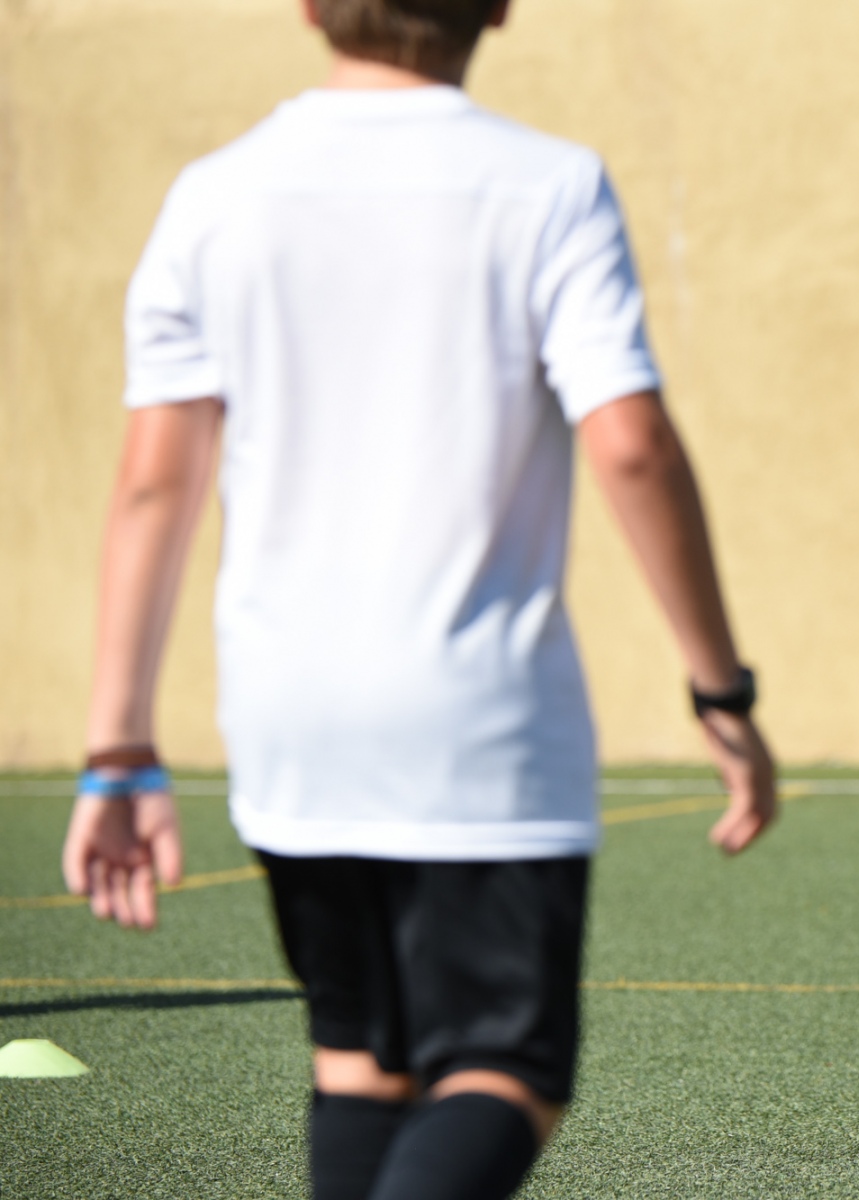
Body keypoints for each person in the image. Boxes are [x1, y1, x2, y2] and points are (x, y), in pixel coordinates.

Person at [59, 2, 777, 1197]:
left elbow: (151, 484)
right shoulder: (547, 185)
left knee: (362, 1063)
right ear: (496, 6)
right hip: (477, 726)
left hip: (289, 720)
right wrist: (721, 688)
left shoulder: (213, 196)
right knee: (510, 1068)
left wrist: (117, 747)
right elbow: (633, 445)